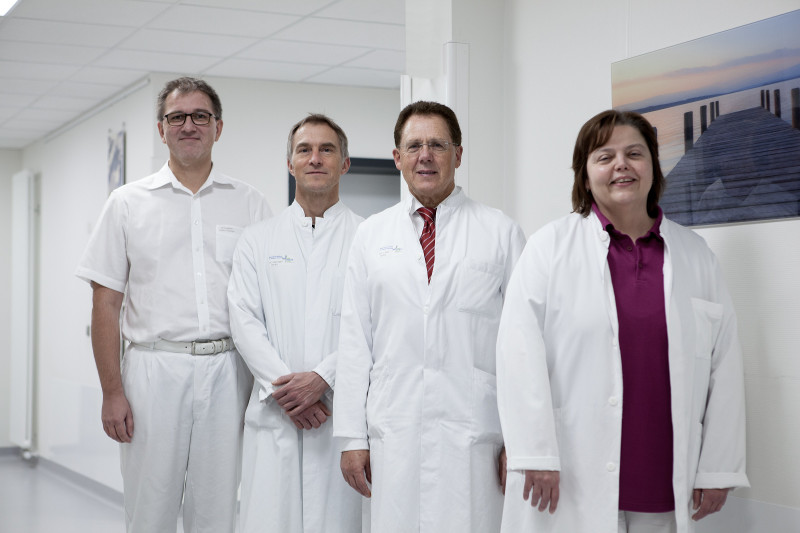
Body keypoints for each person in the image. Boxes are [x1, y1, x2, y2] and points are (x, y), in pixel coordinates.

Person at [496, 109, 749, 533]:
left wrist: (719, 467)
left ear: (652, 166)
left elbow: (725, 365)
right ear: (584, 173)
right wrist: (535, 453)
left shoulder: (695, 255)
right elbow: (518, 355)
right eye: (604, 156)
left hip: (664, 478)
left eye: (634, 153)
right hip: (571, 475)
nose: (621, 165)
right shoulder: (548, 249)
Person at [76, 77, 271, 533]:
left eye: (200, 116)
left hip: (228, 373)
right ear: (161, 129)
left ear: (218, 128)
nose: (189, 125)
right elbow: (105, 305)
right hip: (152, 372)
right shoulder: (127, 203)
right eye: (177, 117)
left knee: (218, 510)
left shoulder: (250, 203)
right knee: (150, 508)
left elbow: (268, 301)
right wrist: (111, 391)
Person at [333, 100, 527, 532]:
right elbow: (354, 340)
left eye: (438, 144)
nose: (426, 155)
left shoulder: (500, 233)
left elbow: (525, 346)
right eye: (414, 145)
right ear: (397, 157)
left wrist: (524, 439)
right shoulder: (371, 236)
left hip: (475, 433)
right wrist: (351, 437)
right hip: (394, 428)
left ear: (458, 154)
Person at [227, 114, 364, 533]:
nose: (315, 158)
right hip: (276, 415)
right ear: (290, 163)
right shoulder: (257, 239)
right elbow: (244, 319)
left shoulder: (369, 238)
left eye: (327, 149)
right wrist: (288, 391)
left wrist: (323, 376)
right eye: (304, 149)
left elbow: (378, 327)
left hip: (338, 416)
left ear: (344, 163)